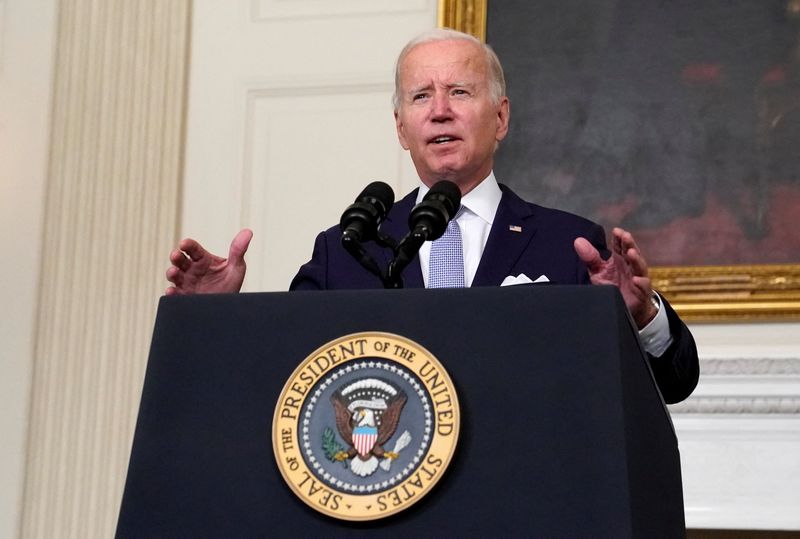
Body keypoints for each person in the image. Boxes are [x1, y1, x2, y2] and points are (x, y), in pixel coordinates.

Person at [166, 28, 699, 403]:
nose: (440, 109)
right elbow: (279, 380)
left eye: (460, 91)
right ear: (401, 128)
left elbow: (674, 384)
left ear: (501, 116)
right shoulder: (347, 250)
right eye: (422, 95)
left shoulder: (569, 243)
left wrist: (642, 318)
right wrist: (212, 320)